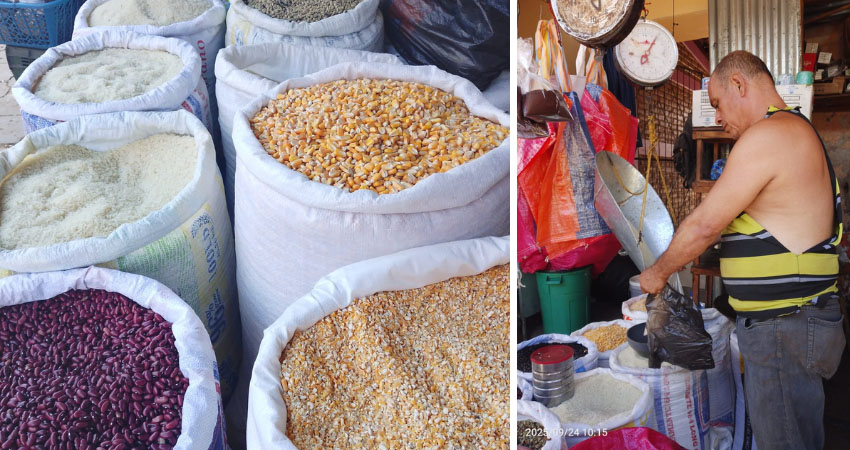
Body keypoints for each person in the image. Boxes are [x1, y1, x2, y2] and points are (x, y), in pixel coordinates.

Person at [639, 50, 846, 450]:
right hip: (795, 322)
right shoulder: (796, 132)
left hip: (784, 327)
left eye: (717, 103)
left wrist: (657, 273)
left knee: (784, 442)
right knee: (798, 435)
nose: (716, 117)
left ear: (739, 84)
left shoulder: (769, 135)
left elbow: (704, 225)